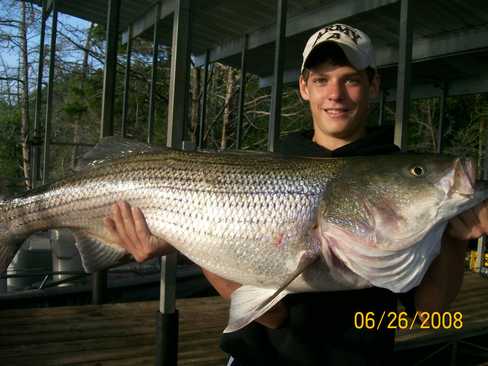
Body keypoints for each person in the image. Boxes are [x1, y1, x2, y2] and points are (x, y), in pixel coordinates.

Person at [104, 24, 488, 365]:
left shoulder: (409, 190)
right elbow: (271, 316)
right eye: (321, 80)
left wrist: (455, 240)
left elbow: (429, 313)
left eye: (350, 79)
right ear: (304, 87)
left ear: (373, 85)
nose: (335, 94)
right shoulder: (266, 165)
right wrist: (190, 238)